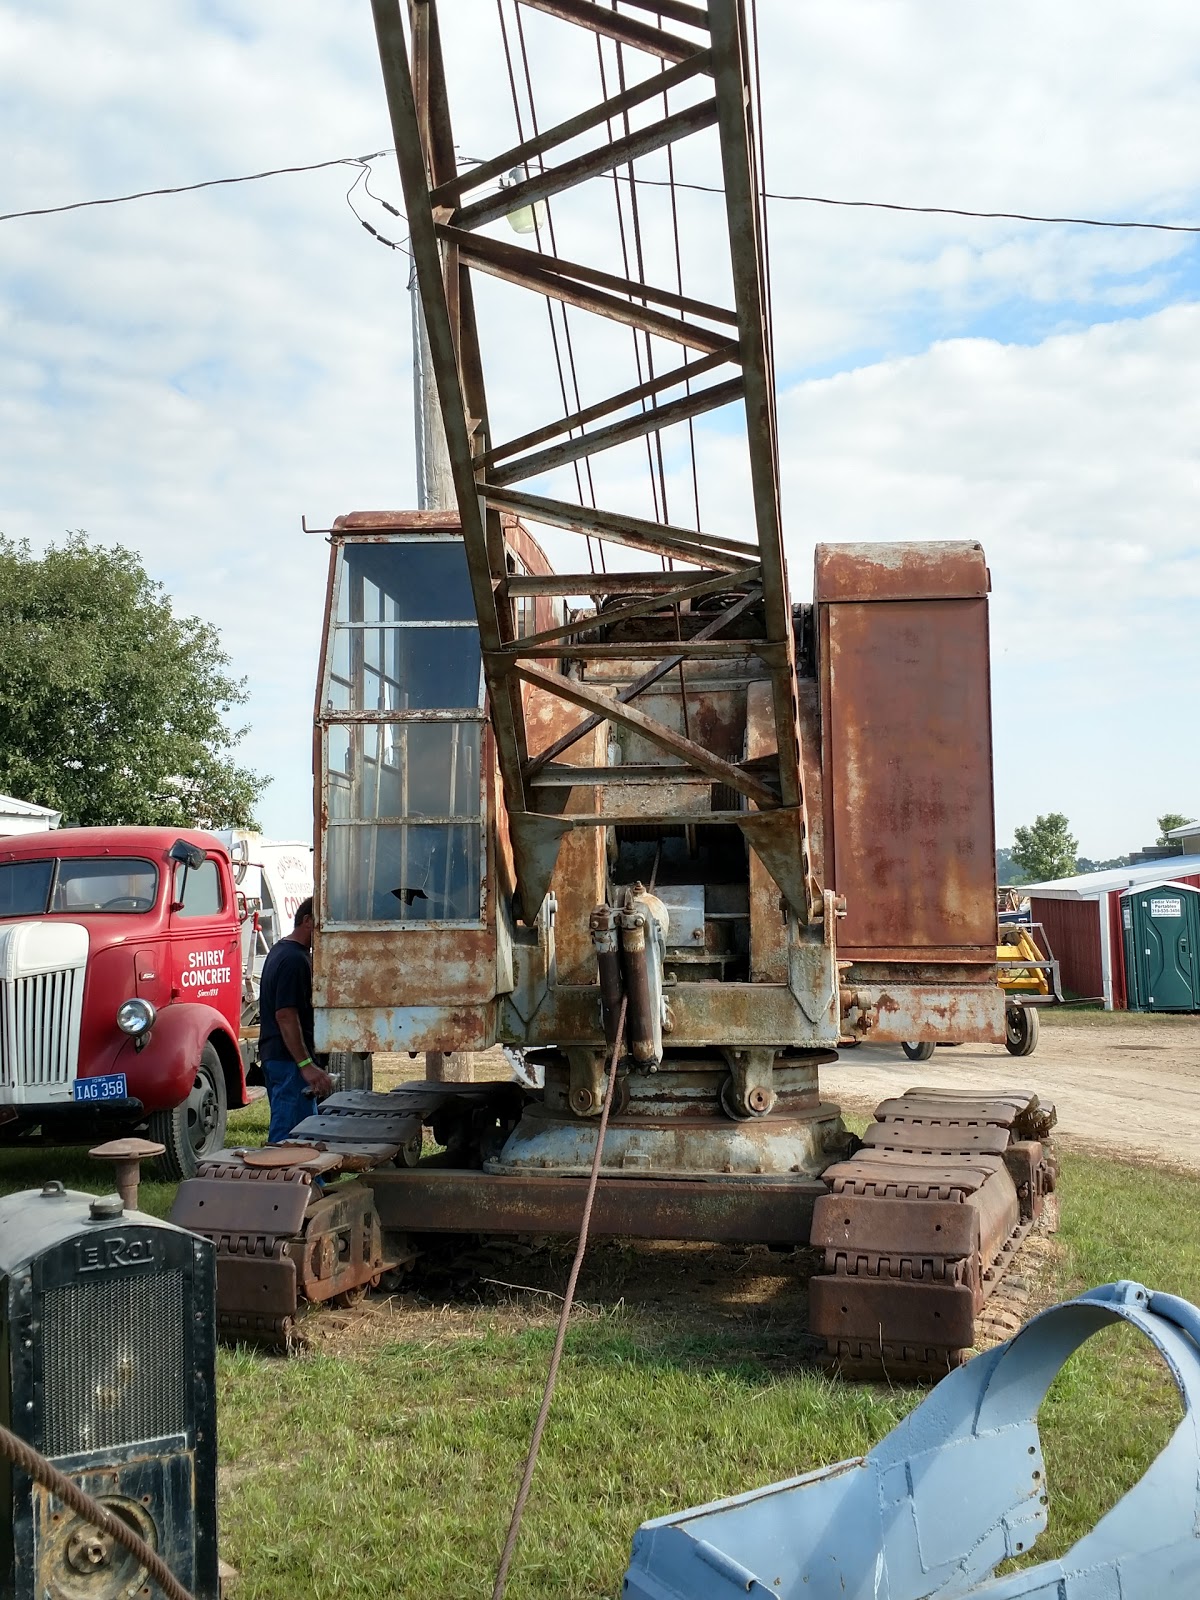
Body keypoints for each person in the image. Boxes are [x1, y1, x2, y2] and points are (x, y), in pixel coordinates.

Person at [257, 897, 333, 1143]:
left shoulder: (280, 951)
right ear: (307, 920)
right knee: (287, 1136)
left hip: (280, 1059)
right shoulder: (294, 960)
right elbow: (286, 1015)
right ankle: (279, 1180)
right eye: (324, 922)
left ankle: (310, 1181)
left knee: (306, 1135)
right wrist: (305, 1065)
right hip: (288, 1062)